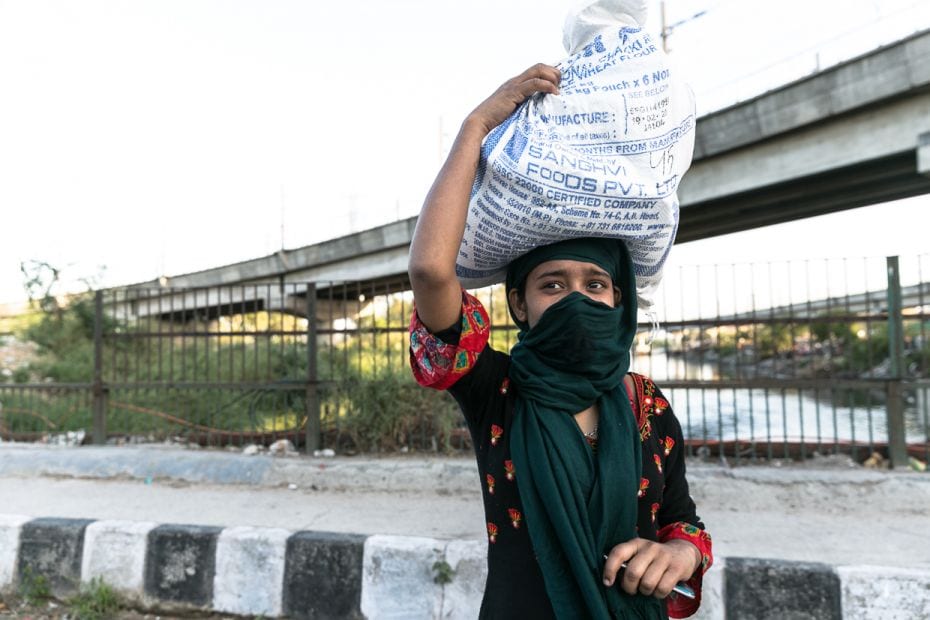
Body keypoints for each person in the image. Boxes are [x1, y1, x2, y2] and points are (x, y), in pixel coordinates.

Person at [407, 64, 712, 619]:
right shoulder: (497, 389)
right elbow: (430, 270)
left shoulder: (647, 404)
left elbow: (681, 519)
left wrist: (678, 553)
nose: (577, 298)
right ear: (519, 304)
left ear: (618, 301)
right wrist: (477, 125)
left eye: (595, 284)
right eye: (553, 284)